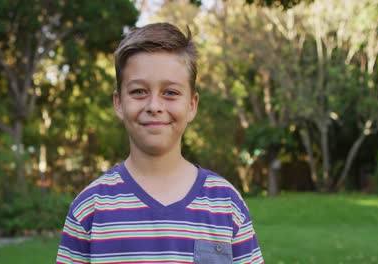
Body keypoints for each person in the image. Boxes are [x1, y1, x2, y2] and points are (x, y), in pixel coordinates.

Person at [56, 22, 264, 264]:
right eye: (139, 91)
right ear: (119, 103)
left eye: (170, 93)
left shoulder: (227, 205)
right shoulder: (89, 209)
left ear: (192, 105)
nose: (154, 106)